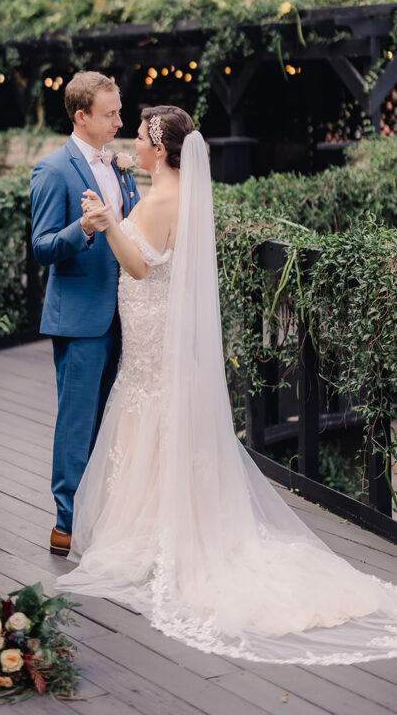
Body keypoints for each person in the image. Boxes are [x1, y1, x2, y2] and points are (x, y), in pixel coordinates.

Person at [57, 105, 397, 665]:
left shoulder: (164, 200)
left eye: (140, 137)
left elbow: (139, 266)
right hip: (156, 333)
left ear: (160, 150)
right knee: (156, 420)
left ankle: (154, 534)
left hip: (150, 335)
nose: (133, 144)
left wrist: (106, 217)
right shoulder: (179, 193)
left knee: (148, 417)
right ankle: (170, 518)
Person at [30, 71, 138, 557]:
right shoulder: (52, 170)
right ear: (82, 116)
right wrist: (82, 229)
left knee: (112, 422)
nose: (120, 119)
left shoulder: (117, 166)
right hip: (79, 317)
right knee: (77, 424)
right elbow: (42, 247)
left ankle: (104, 516)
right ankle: (66, 524)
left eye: (119, 110)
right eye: (110, 113)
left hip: (125, 314)